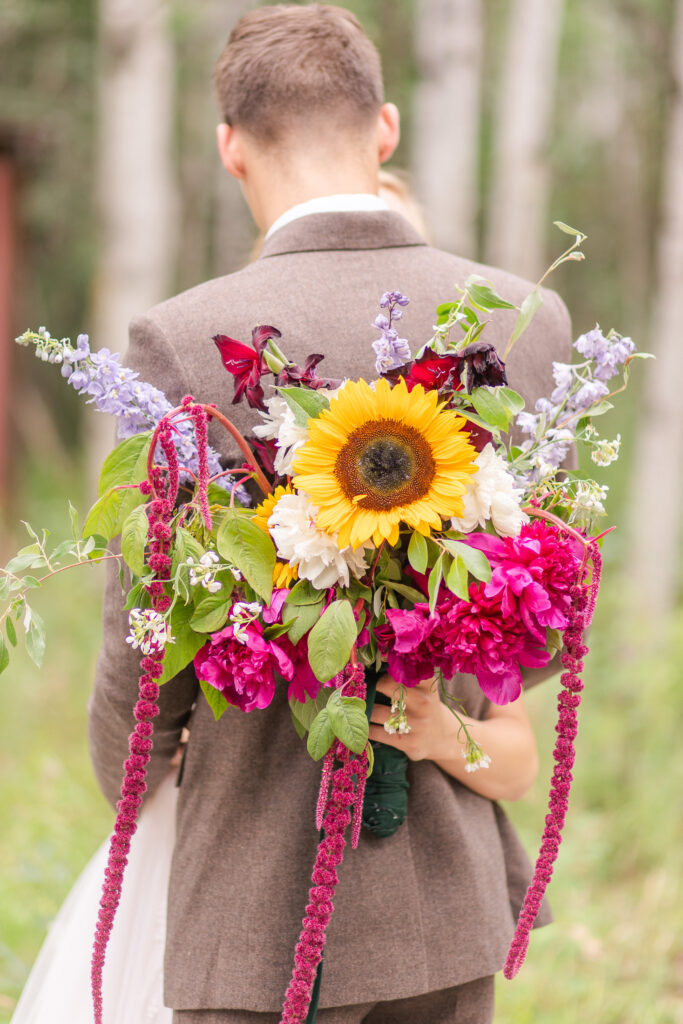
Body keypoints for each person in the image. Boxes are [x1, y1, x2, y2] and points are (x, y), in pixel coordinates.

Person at [88, 5, 572, 1023]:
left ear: (229, 148)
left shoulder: (178, 340)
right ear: (385, 127)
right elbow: (529, 639)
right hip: (440, 902)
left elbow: (144, 650)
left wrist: (131, 781)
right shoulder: (525, 322)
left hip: (254, 906)